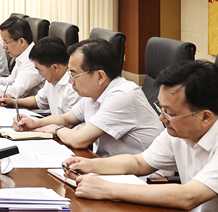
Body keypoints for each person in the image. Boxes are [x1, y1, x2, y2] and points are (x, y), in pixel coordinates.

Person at [64, 60, 218, 212]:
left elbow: (189, 196)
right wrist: (90, 165)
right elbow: (140, 163)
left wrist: (108, 189)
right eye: (161, 108)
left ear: (205, 117)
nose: (162, 118)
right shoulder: (182, 127)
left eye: (169, 112)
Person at [14, 39, 162, 157]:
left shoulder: (122, 95)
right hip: (109, 166)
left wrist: (56, 130)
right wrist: (35, 123)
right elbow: (66, 119)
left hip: (145, 178)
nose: (70, 81)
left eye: (74, 75)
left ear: (100, 76)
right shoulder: (94, 93)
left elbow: (79, 140)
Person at [0, 37, 80, 115]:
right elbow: (37, 101)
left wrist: (36, 122)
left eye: (40, 69)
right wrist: (13, 102)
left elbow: (69, 120)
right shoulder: (52, 79)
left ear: (55, 67)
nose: (39, 73)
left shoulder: (75, 86)